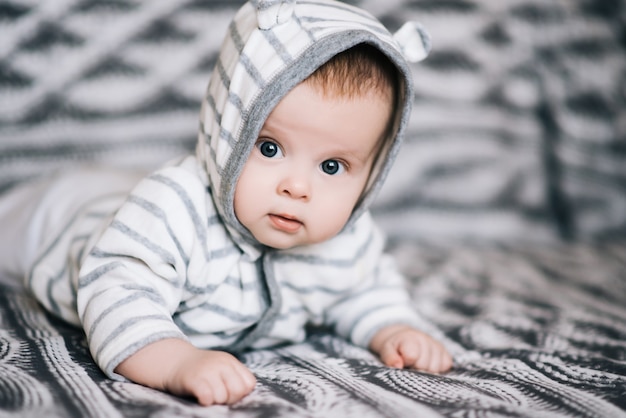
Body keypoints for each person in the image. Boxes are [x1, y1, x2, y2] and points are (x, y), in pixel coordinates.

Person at [0, 0, 452, 406]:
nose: (298, 188)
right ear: (227, 133)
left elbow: (362, 289)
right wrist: (177, 362)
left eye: (332, 166)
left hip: (121, 193)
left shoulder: (345, 240)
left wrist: (392, 327)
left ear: (372, 173)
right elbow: (117, 294)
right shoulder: (172, 210)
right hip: (58, 221)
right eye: (270, 148)